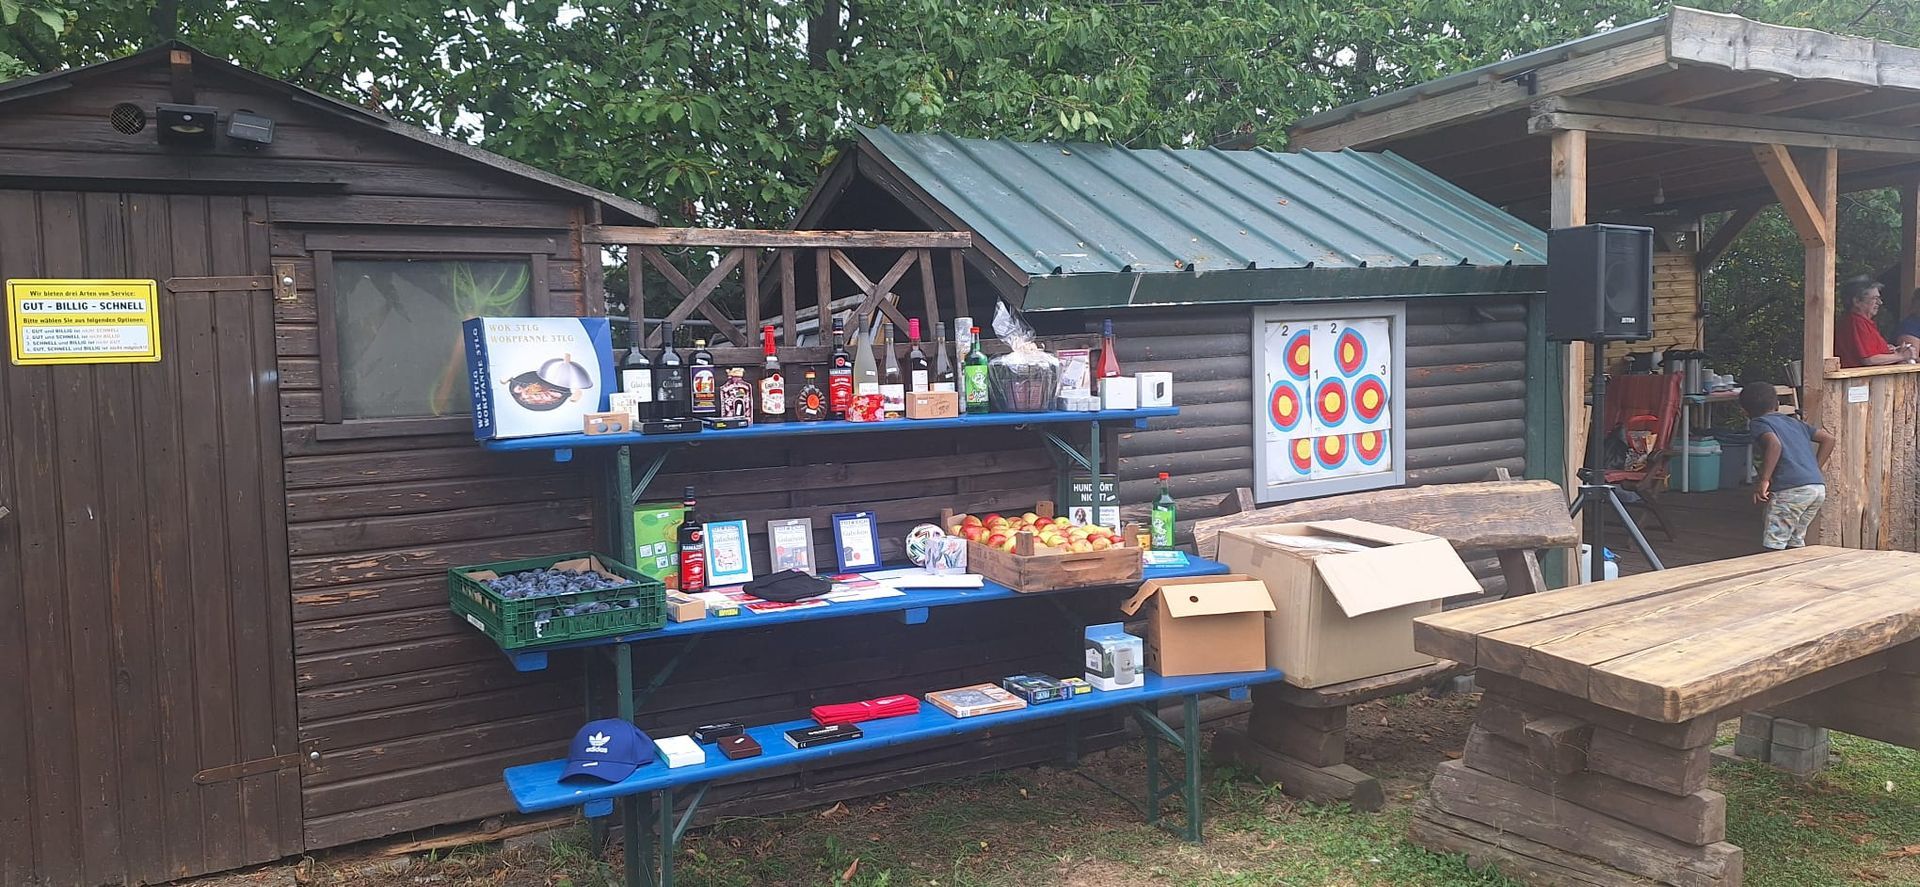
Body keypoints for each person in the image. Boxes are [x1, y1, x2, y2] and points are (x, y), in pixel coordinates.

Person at [1742, 383, 1835, 550]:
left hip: (1791, 491)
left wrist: (1764, 480)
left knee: (1774, 544)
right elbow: (1829, 439)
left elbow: (1774, 445)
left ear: (1744, 412)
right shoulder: (1795, 423)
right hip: (1816, 488)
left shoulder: (1759, 423)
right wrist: (1815, 468)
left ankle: (1772, 568)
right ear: (1777, 405)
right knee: (1795, 541)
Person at [1835, 277, 1917, 367]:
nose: (1880, 302)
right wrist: (1901, 356)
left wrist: (1889, 350)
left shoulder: (1862, 321)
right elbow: (1869, 359)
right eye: (1875, 298)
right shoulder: (1856, 322)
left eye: (1879, 298)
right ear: (1857, 301)